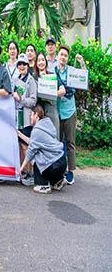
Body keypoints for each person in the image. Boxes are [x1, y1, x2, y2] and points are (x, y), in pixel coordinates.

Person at [19, 105, 67, 194]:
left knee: (36, 156)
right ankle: (58, 180)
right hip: (62, 161)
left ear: (36, 115)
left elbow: (30, 152)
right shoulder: (47, 125)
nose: (30, 118)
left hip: (54, 166)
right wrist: (19, 134)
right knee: (43, 155)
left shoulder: (36, 131)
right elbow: (33, 142)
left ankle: (43, 185)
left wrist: (21, 168)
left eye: (31, 115)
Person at [55, 45, 85, 185]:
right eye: (61, 54)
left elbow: (83, 78)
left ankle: (71, 171)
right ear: (58, 56)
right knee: (58, 142)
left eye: (65, 55)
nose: (63, 57)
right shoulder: (53, 71)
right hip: (57, 111)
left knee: (70, 142)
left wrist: (82, 63)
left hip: (69, 111)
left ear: (67, 58)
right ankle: (60, 169)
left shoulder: (71, 71)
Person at [13, 53, 37, 186]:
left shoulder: (31, 80)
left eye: (24, 64)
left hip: (27, 117)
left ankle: (30, 173)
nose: (22, 66)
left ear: (28, 65)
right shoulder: (16, 79)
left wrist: (20, 99)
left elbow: (33, 100)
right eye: (19, 64)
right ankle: (23, 171)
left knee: (26, 146)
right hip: (18, 117)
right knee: (20, 145)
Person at [33, 52, 64, 136]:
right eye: (38, 60)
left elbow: (62, 90)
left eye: (43, 60)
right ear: (36, 63)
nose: (41, 62)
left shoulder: (52, 76)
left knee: (54, 136)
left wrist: (51, 94)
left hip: (51, 110)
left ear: (46, 62)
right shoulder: (33, 77)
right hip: (39, 112)